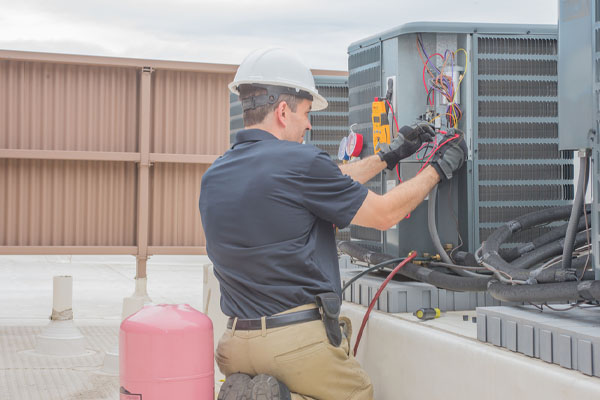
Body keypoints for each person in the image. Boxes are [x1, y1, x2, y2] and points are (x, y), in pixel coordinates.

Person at [199, 47, 467, 400]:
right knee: (358, 392)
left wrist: (389, 156)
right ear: (283, 111)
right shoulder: (300, 163)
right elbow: (385, 214)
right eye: (307, 113)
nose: (309, 125)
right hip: (292, 342)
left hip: (234, 342)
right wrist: (438, 168)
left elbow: (330, 179)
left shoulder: (216, 173)